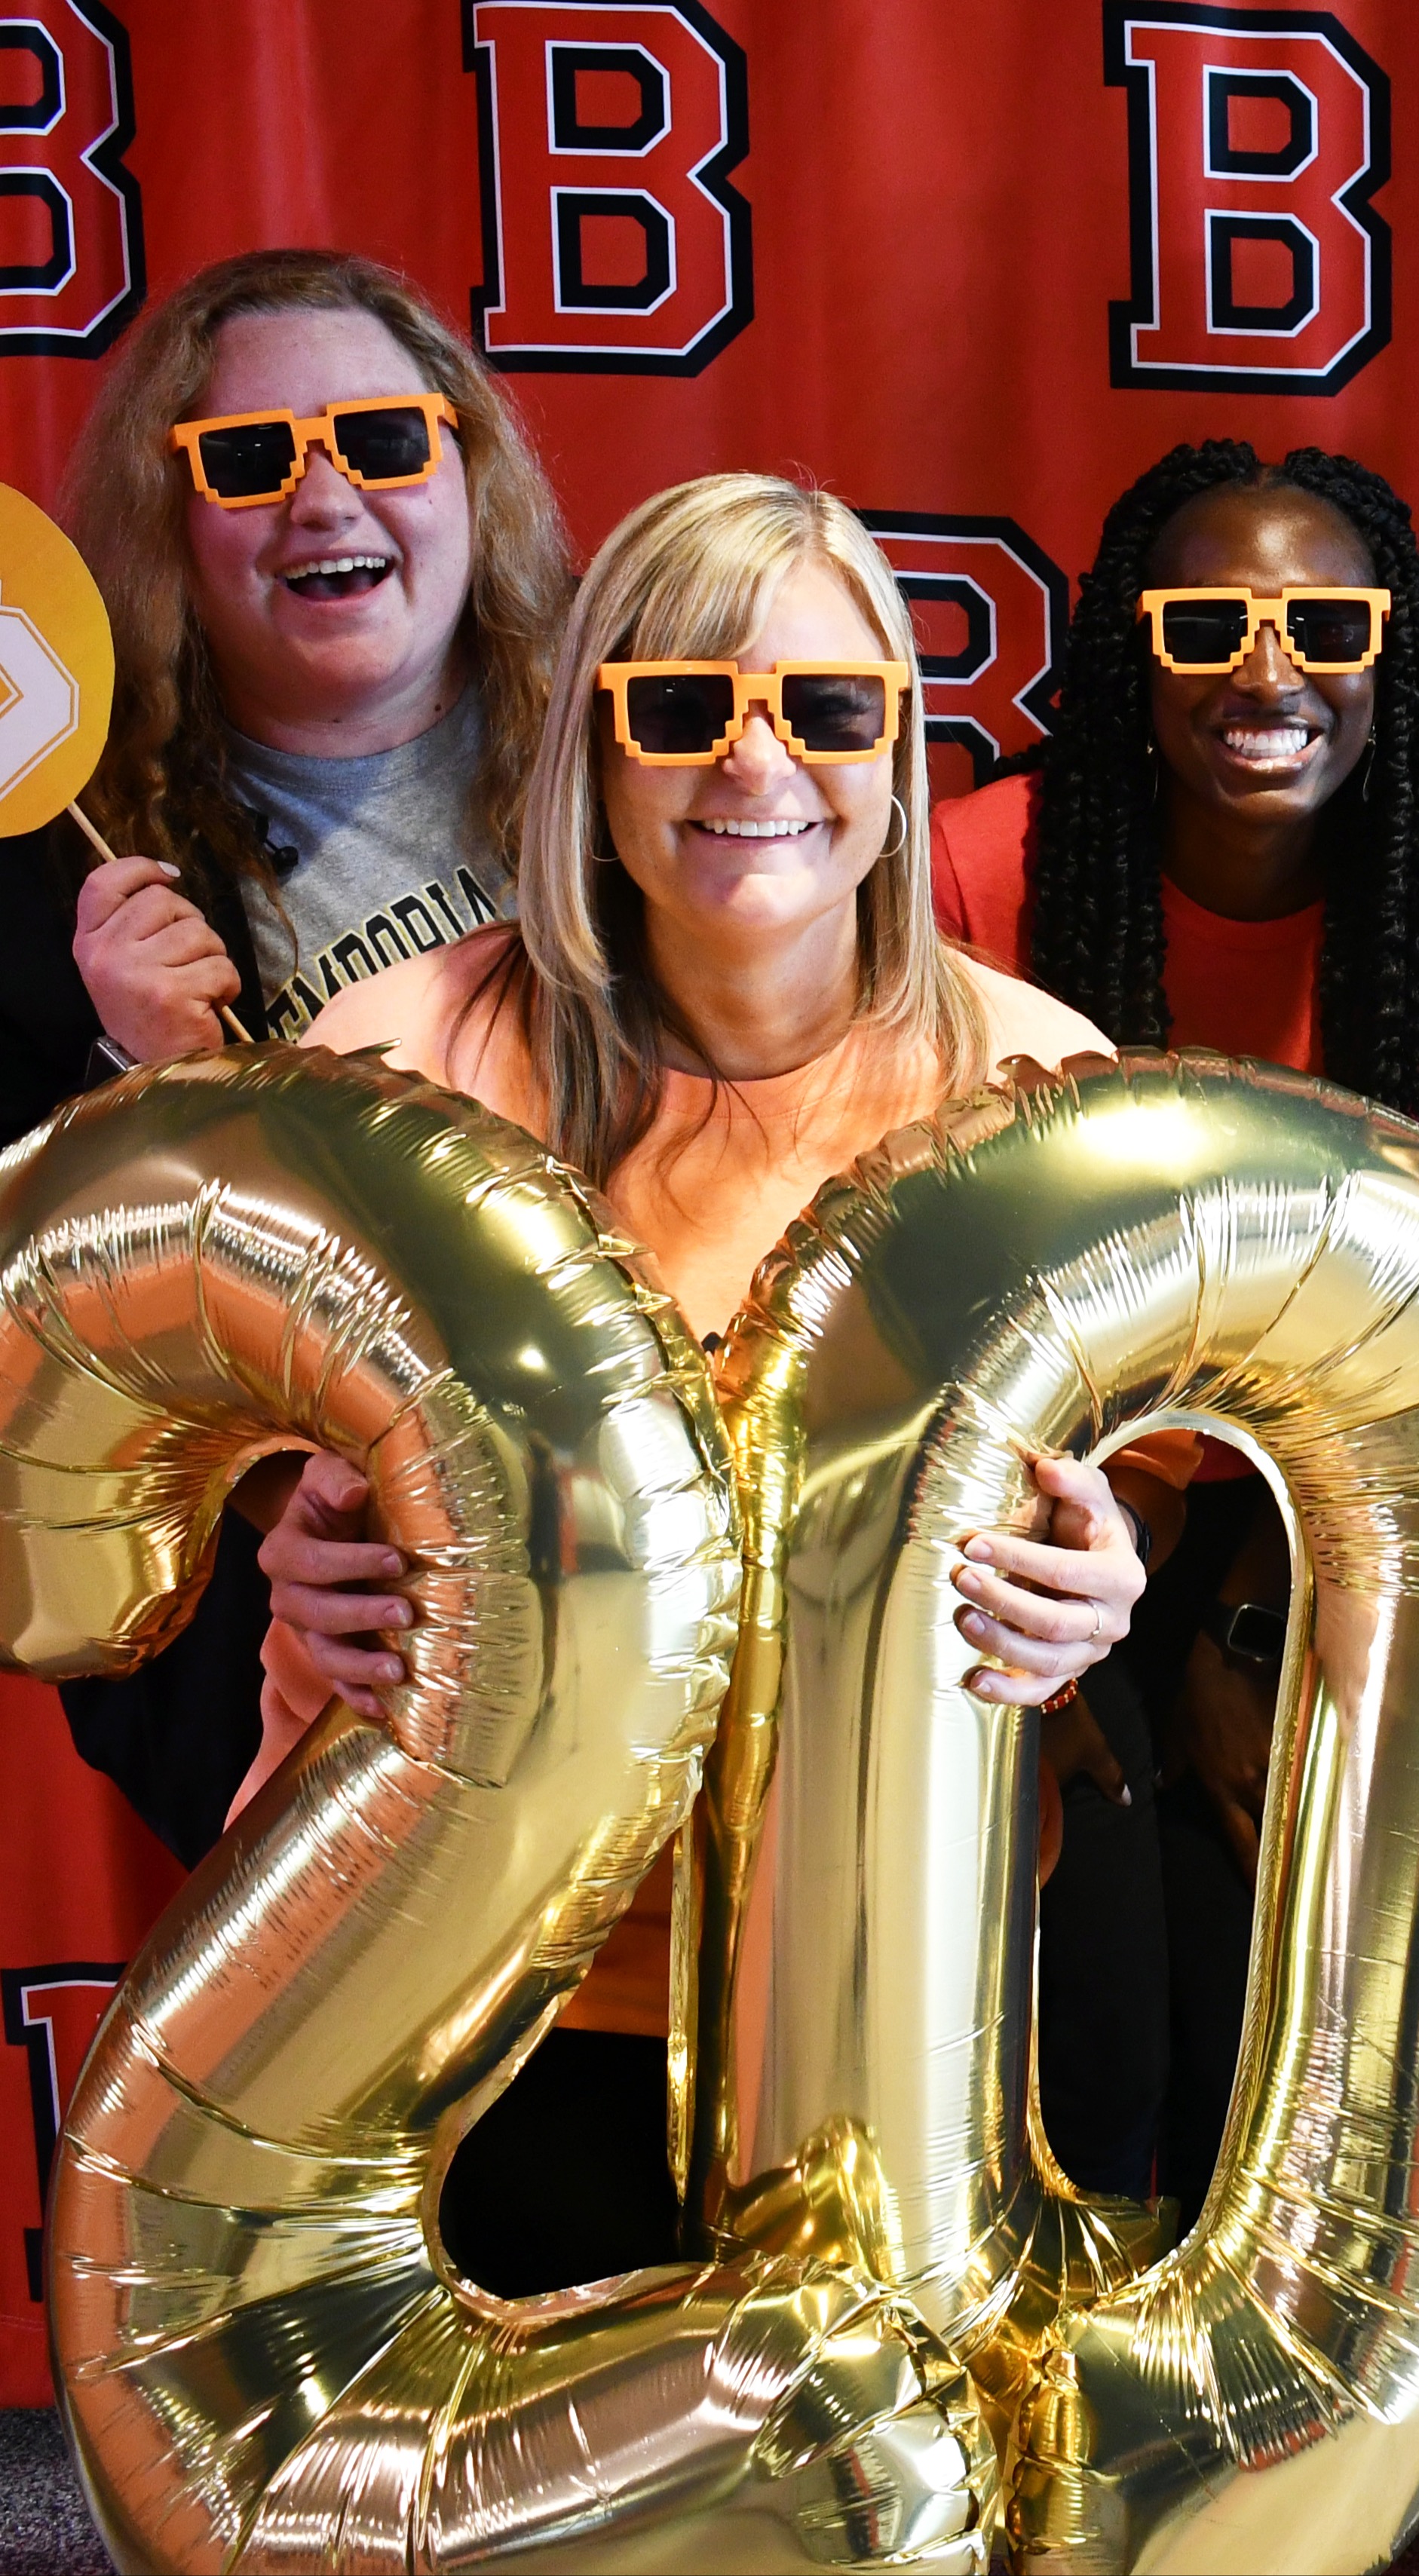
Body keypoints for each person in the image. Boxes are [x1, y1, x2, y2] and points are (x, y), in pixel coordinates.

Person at [244, 473, 1163, 2293]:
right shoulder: (391, 1068)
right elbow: (247, 1465)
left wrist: (1096, 1589)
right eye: (680, 706)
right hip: (456, 1966)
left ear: (898, 751)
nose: (755, 765)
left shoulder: (1039, 1086)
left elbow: (1087, 1498)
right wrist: (296, 1575)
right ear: (595, 744)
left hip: (893, 1964)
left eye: (824, 709)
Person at [932, 438, 1419, 2215]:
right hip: (1026, 1514)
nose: (1268, 669)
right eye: (1207, 623)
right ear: (1133, 651)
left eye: (1321, 621)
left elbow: (1407, 1333)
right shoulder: (980, 872)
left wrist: (1248, 1619)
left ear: (1385, 653)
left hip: (1303, 1511)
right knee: (1101, 2027)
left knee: (1293, 2017)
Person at [0, 250, 572, 1872]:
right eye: (249, 461)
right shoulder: (64, 874)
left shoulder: (638, 768)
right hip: (311, 1664)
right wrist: (137, 1091)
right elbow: (35, 1390)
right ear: (172, 525)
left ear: (467, 464)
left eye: (383, 441)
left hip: (650, 1582)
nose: (324, 499)